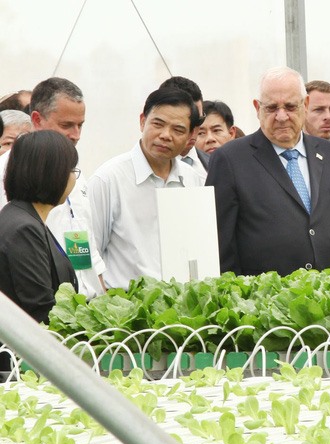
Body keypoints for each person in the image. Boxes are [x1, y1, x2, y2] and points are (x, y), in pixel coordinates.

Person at [206, 66, 330, 276]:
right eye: (272, 107)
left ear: (306, 104)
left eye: (291, 107)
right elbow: (221, 245)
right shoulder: (230, 159)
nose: (281, 116)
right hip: (264, 301)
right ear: (257, 108)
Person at [0, 77, 106, 300]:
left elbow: (90, 250)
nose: (76, 135)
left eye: (80, 125)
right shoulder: (6, 171)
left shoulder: (76, 173)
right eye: (66, 125)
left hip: (86, 310)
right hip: (41, 311)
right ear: (37, 119)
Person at [88, 88, 202, 289]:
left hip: (182, 308)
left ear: (191, 135)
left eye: (178, 130)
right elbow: (91, 252)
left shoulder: (194, 180)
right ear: (142, 121)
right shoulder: (108, 179)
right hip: (127, 309)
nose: (165, 135)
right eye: (158, 124)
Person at [0, 130, 79, 323]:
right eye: (72, 170)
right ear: (53, 173)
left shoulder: (23, 216)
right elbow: (41, 306)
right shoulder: (24, 228)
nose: (74, 179)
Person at [159, 76, 209, 182]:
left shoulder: (215, 164)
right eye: (180, 126)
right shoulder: (121, 174)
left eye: (198, 121)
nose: (192, 131)